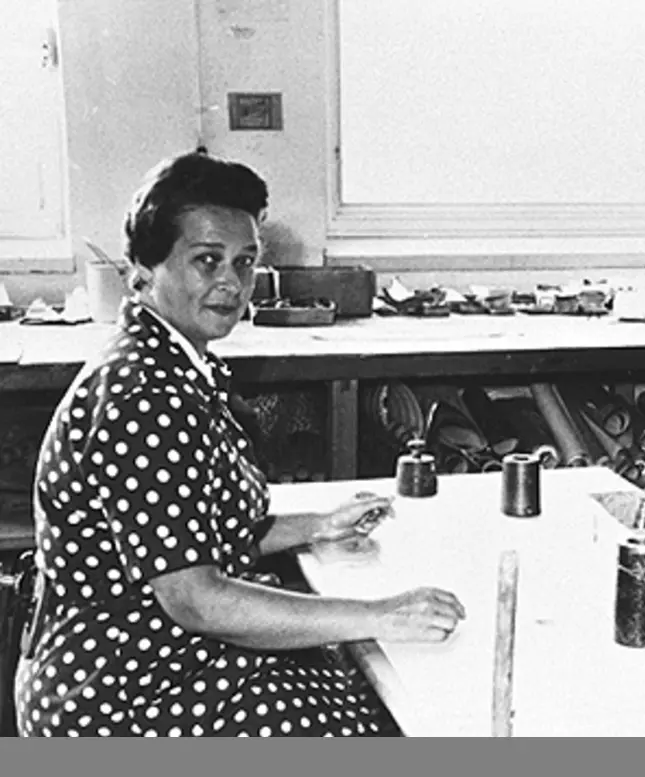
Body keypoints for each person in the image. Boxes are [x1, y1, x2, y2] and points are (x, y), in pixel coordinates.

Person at [15, 150, 466, 737]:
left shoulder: (178, 362)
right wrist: (378, 615)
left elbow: (199, 533)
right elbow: (196, 599)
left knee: (361, 694)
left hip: (160, 653)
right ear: (144, 270)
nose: (232, 282)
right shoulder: (142, 395)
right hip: (121, 690)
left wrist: (316, 525)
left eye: (245, 262)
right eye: (207, 261)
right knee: (366, 720)